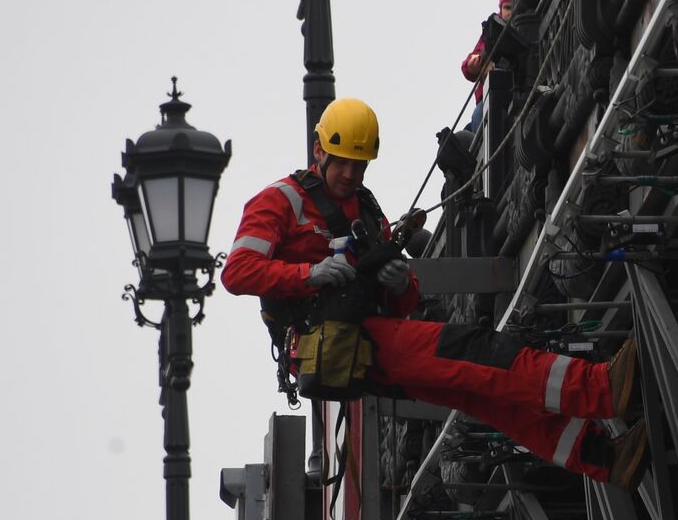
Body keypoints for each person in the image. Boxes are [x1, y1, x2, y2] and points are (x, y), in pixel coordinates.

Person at [222, 96, 649, 491]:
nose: (351, 174)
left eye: (360, 164)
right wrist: (309, 274)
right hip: (340, 341)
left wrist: (397, 283)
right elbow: (237, 272)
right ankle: (599, 388)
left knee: (486, 393)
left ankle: (603, 456)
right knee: (478, 351)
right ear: (319, 151)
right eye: (343, 163)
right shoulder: (279, 201)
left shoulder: (367, 212)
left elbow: (405, 302)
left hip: (364, 339)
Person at [461, 0, 513, 132]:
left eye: (514, 8)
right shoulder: (492, 30)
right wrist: (473, 65)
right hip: (489, 96)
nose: (510, 13)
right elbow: (469, 64)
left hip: (513, 89)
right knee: (479, 115)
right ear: (500, 8)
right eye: (507, 8)